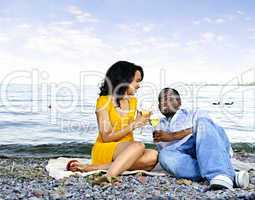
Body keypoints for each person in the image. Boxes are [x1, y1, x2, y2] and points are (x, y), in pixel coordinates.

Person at [67, 61, 158, 183]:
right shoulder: (103, 101)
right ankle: (109, 176)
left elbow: (133, 123)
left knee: (153, 156)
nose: (139, 85)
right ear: (124, 80)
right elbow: (106, 137)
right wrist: (134, 124)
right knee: (139, 145)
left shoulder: (133, 101)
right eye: (137, 81)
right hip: (106, 148)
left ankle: (92, 168)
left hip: (128, 150)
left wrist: (145, 122)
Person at [153, 87, 249, 190]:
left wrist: (172, 136)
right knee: (164, 155)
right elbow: (168, 151)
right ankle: (228, 174)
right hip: (185, 155)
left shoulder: (195, 113)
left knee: (202, 123)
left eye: (170, 99)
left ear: (179, 102)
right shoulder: (159, 126)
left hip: (209, 146)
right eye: (161, 101)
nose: (165, 103)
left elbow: (208, 129)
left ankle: (219, 172)